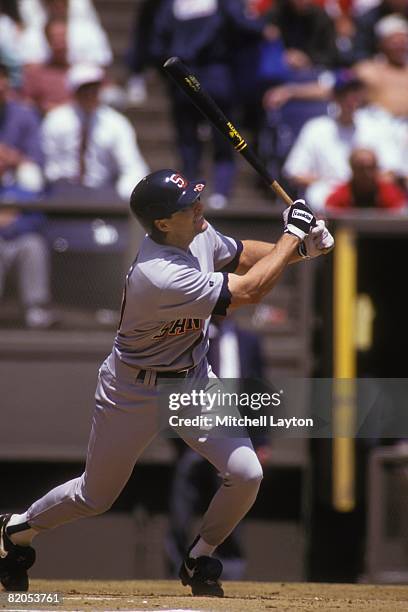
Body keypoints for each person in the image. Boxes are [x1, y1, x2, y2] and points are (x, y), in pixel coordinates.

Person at [0, 168, 334, 596]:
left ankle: (200, 557)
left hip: (192, 381)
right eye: (187, 206)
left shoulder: (195, 232)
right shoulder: (158, 275)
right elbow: (251, 291)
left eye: (196, 198)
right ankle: (15, 530)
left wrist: (301, 249)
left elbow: (241, 255)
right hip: (132, 389)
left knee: (246, 472)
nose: (199, 207)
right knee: (94, 497)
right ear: (162, 223)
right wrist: (293, 236)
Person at [282, 70, 402, 210]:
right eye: (345, 93)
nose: (351, 98)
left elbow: (391, 171)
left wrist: (364, 182)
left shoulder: (376, 125)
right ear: (335, 96)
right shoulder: (316, 128)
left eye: (355, 92)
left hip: (370, 194)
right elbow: (294, 172)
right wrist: (332, 184)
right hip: (331, 193)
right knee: (316, 194)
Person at [42, 64, 149, 202]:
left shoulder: (116, 123)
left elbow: (132, 166)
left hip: (103, 198)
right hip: (61, 197)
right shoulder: (56, 120)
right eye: (84, 88)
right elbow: (47, 163)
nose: (89, 93)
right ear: (74, 91)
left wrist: (121, 194)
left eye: (94, 87)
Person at [326, 147, 407, 210]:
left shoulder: (390, 193)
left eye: (370, 168)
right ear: (352, 169)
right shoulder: (340, 196)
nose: (366, 173)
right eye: (361, 168)